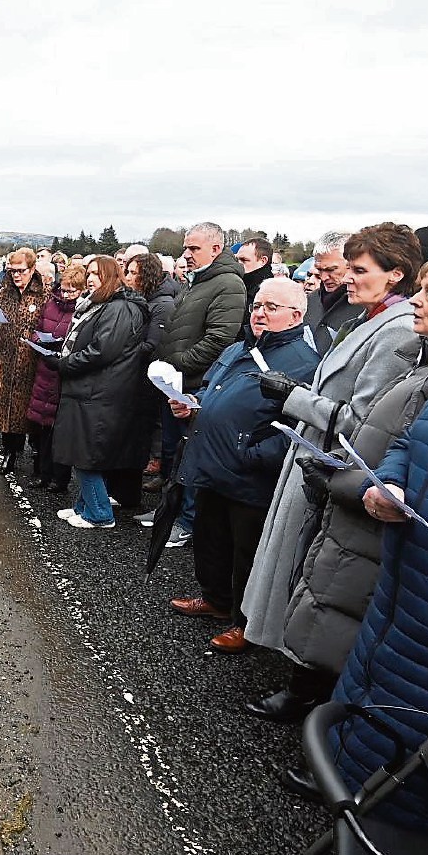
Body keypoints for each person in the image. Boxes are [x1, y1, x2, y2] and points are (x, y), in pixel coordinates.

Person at [270, 254, 428, 799]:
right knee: (368, 641)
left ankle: (363, 783)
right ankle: (344, 761)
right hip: (375, 510)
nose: (417, 302)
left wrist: (354, 481)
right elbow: (403, 442)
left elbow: (375, 425)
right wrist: (382, 480)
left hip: (409, 545)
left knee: (393, 662)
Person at [242, 222, 422, 721]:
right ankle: (299, 667)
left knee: (325, 573)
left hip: (339, 465)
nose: (347, 279)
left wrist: (293, 396)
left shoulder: (397, 330)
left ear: (394, 275)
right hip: (319, 455)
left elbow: (363, 421)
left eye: (360, 270)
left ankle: (310, 686)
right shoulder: (375, 319)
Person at [328, 356, 428, 835]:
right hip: (401, 592)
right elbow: (410, 441)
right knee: (370, 729)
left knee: (414, 814)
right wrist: (391, 481)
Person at [166, 278, 320, 653]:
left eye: (271, 307)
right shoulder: (240, 348)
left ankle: (244, 621)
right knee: (210, 538)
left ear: (296, 315)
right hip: (215, 464)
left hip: (250, 476)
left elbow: (299, 428)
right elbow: (215, 389)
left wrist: (251, 454)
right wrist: (192, 402)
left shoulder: (304, 363)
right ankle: (215, 599)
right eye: (256, 306)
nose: (259, 313)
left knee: (246, 552)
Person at [142, 222, 247, 547]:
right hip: (176, 383)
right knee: (174, 453)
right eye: (186, 248)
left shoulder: (228, 284)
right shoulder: (197, 281)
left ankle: (187, 521)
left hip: (196, 385)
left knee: (191, 455)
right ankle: (168, 513)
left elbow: (219, 338)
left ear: (216, 249)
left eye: (194, 248)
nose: (186, 254)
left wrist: (178, 363)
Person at [47, 255, 149, 529]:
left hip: (99, 393)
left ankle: (99, 513)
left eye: (96, 273)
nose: (90, 278)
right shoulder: (103, 305)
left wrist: (65, 363)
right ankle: (84, 506)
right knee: (82, 452)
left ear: (110, 277)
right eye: (89, 273)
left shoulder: (119, 309)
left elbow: (102, 351)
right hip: (90, 391)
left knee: (87, 454)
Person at [0, 247, 50, 475]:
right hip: (5, 360)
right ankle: (10, 452)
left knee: (31, 410)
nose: (16, 275)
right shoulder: (2, 294)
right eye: (12, 270)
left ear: (32, 269)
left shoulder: (44, 294)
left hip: (33, 363)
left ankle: (36, 454)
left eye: (21, 271)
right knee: (7, 409)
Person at [124, 252, 180, 494]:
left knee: (153, 425)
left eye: (133, 273)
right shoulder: (146, 299)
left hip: (151, 375)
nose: (128, 277)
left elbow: (153, 344)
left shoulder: (163, 304)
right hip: (139, 372)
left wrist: (123, 353)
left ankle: (158, 465)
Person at [27, 259, 86, 491]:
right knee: (42, 425)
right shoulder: (50, 304)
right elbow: (38, 327)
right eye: (64, 288)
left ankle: (59, 478)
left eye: (73, 290)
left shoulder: (81, 311)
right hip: (45, 368)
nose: (67, 293)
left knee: (59, 429)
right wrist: (37, 340)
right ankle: (42, 472)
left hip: (64, 373)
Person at [302, 231, 363, 356]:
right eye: (319, 270)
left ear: (352, 264)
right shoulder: (308, 301)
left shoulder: (365, 306)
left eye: (331, 270)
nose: (324, 277)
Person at [235, 238, 273, 335]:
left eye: (244, 260)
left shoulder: (272, 293)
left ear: (263, 260)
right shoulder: (235, 285)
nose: (238, 265)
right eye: (236, 260)